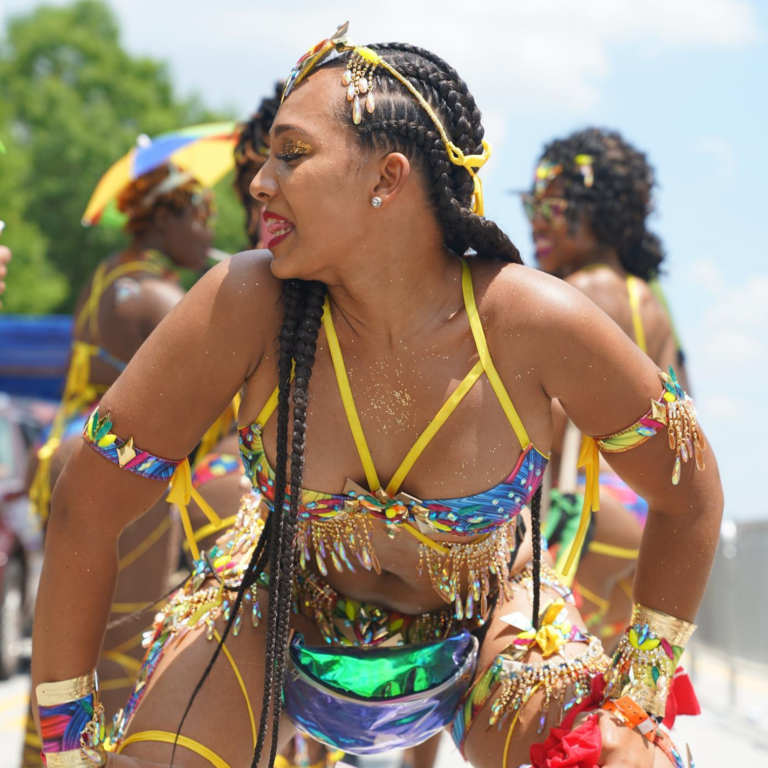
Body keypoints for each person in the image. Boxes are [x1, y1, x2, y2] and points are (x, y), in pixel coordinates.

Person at [32, 27, 722, 768]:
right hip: (273, 617)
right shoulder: (241, 302)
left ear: (387, 179)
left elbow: (691, 492)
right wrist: (66, 743)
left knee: (625, 758)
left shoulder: (534, 321)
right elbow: (87, 504)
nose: (261, 182)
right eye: (267, 156)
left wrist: (640, 690)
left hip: (487, 631)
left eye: (292, 154)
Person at [22, 163, 214, 766]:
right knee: (121, 639)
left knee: (67, 650)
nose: (208, 234)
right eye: (200, 215)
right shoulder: (156, 295)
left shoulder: (107, 278)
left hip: (73, 451)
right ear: (163, 217)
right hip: (119, 463)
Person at [524, 129, 690, 648]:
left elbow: (547, 426)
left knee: (557, 679)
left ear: (600, 214)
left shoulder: (579, 294)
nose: (535, 223)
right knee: (611, 690)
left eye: (551, 206)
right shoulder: (653, 303)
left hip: (587, 513)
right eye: (532, 205)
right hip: (645, 514)